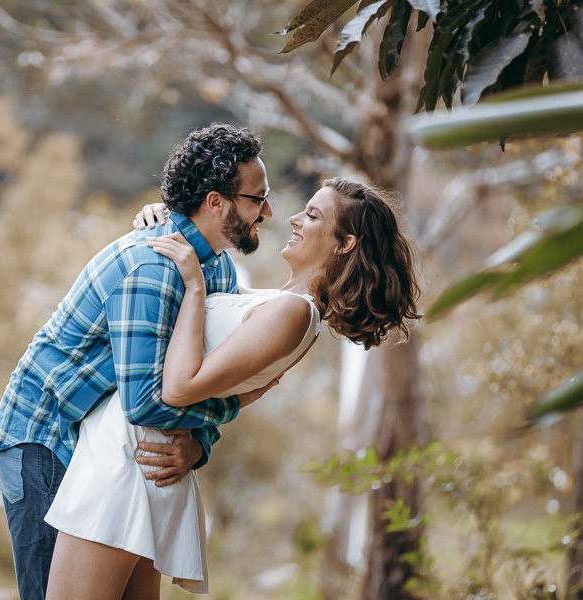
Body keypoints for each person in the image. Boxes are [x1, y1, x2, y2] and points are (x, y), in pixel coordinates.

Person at [42, 177, 421, 599]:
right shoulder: (278, 303)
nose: (293, 218)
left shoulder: (293, 314)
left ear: (345, 243)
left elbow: (180, 387)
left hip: (127, 463)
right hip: (138, 455)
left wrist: (193, 287)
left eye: (312, 215)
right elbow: (207, 278)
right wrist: (165, 219)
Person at [0, 123, 276, 600]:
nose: (267, 210)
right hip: (45, 435)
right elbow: (144, 402)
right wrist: (230, 409)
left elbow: (198, 374)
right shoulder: (154, 266)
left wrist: (199, 441)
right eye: (256, 197)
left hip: (100, 440)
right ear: (215, 202)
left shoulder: (216, 265)